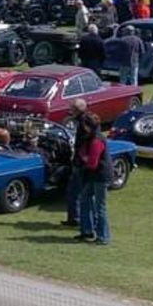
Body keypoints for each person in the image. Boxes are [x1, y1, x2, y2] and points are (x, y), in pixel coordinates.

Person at [78, 113, 111, 245]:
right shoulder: (90, 138)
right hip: (93, 174)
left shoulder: (97, 140)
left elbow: (92, 163)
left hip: (100, 176)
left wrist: (84, 158)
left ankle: (103, 236)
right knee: (84, 200)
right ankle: (87, 231)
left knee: (99, 206)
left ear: (88, 126)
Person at [62, 98, 90, 228]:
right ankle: (73, 218)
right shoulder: (83, 120)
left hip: (82, 163)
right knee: (74, 191)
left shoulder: (84, 123)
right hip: (81, 161)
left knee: (75, 191)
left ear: (77, 110)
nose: (69, 111)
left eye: (72, 109)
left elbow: (83, 144)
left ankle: (76, 219)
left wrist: (79, 160)